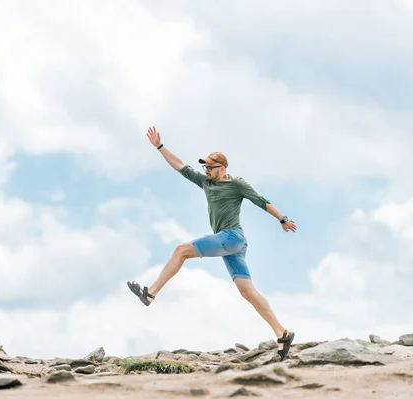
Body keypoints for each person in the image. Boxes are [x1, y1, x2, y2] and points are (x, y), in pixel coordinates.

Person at [127, 126, 297, 361]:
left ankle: (150, 293)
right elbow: (179, 165)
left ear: (222, 168)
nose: (205, 170)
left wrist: (283, 219)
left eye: (210, 167)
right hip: (232, 244)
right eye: (204, 167)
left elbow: (261, 201)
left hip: (232, 237)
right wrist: (159, 146)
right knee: (247, 291)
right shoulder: (205, 182)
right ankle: (282, 333)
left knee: (181, 250)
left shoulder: (237, 184)